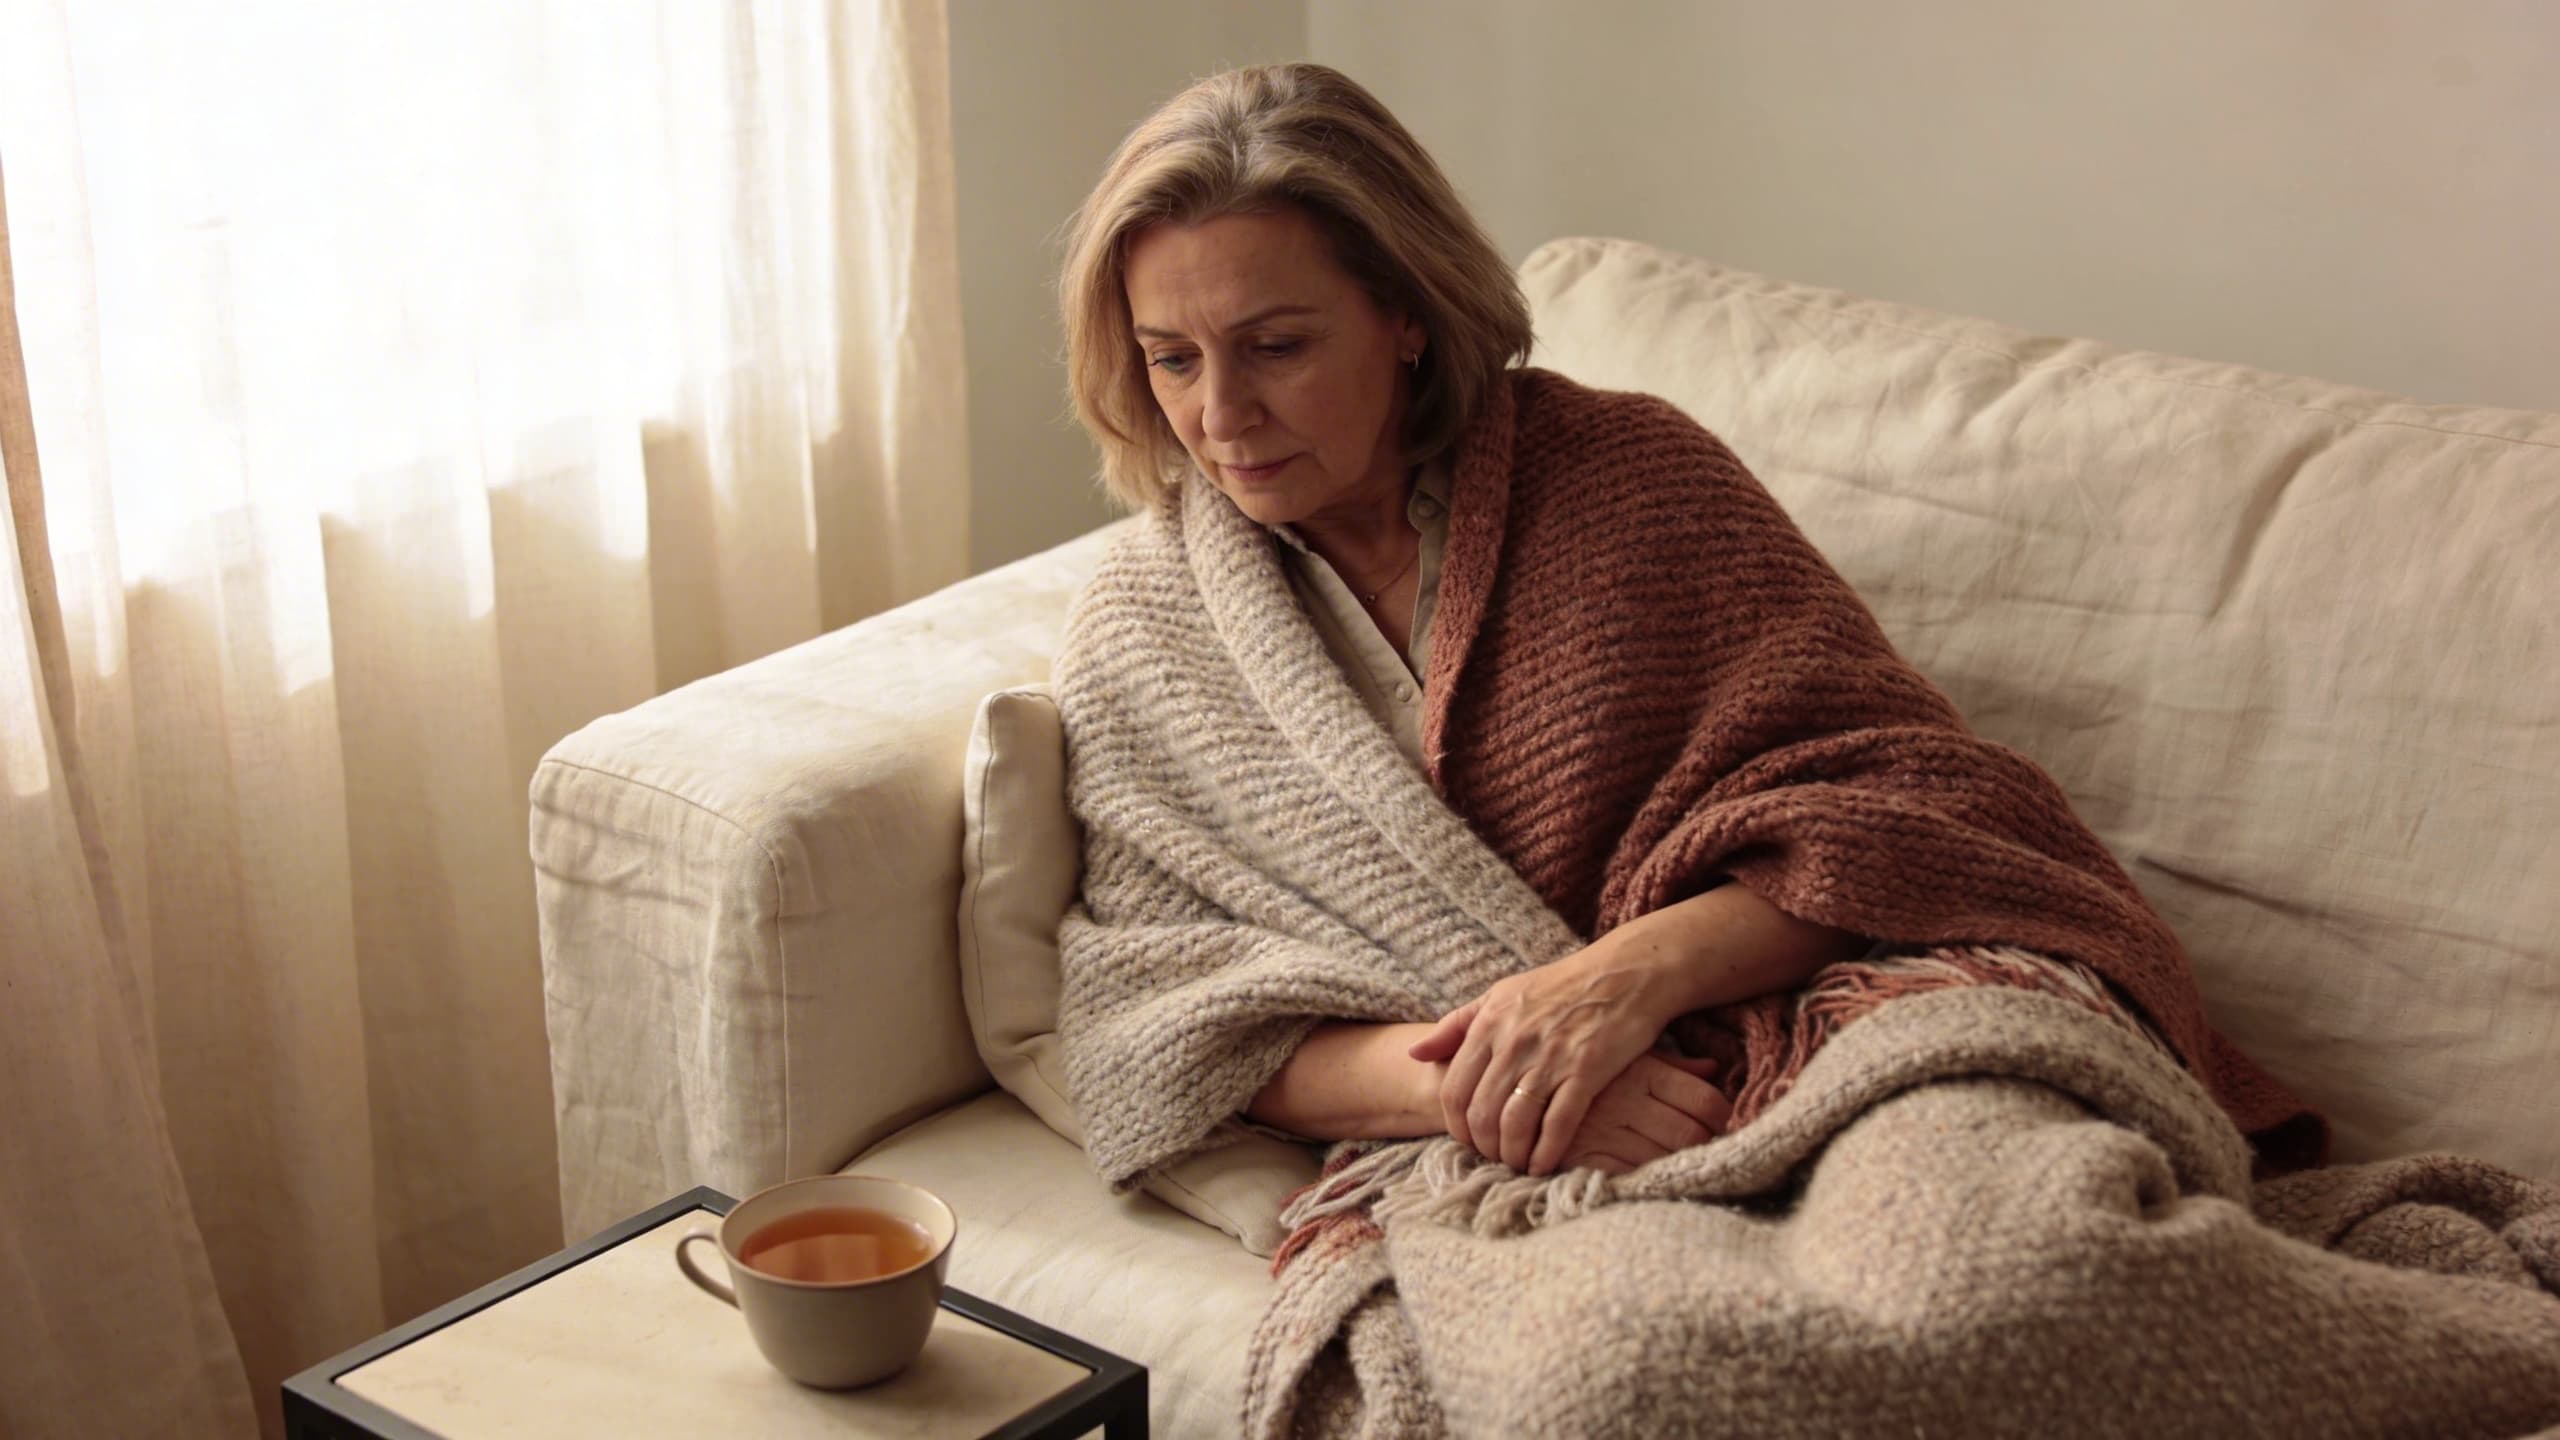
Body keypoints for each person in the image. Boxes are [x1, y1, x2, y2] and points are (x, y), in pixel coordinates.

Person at [1044, 62, 2558, 1438]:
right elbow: (1167, 1023)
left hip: (1857, 1008)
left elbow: (1920, 804)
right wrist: (1482, 1084)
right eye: (1170, 360)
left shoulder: (1625, 475)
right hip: (1530, 1147)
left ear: (1404, 313)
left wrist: (1622, 979)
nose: (1219, 416)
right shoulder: (1143, 630)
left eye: (1276, 345)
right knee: (1615, 1396)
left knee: (2026, 1284)